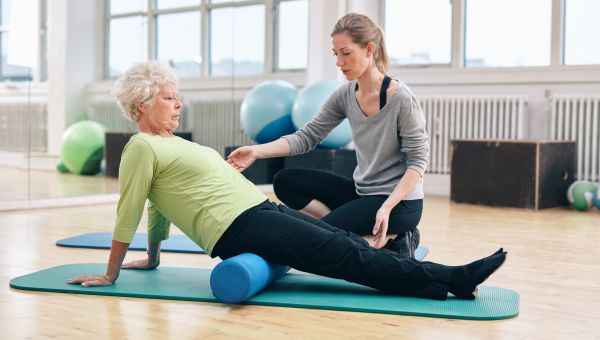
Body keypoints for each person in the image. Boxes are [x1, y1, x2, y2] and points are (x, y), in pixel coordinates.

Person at [67, 61, 506, 301]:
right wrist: (112, 272)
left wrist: (156, 256)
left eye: (178, 97)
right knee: (343, 255)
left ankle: (444, 281)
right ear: (142, 103)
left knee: (349, 245)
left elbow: (159, 205)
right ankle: (453, 277)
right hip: (240, 228)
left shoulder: (170, 143)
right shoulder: (142, 148)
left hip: (262, 213)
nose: (178, 105)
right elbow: (134, 204)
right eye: (169, 98)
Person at [227, 13, 427, 258]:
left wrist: (387, 207)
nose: (339, 62)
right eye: (336, 54)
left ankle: (399, 236)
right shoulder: (344, 95)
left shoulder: (401, 99)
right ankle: (338, 229)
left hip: (400, 203)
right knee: (286, 181)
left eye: (346, 53)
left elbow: (418, 162)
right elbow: (306, 136)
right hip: (363, 192)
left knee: (317, 241)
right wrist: (256, 151)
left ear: (369, 49)